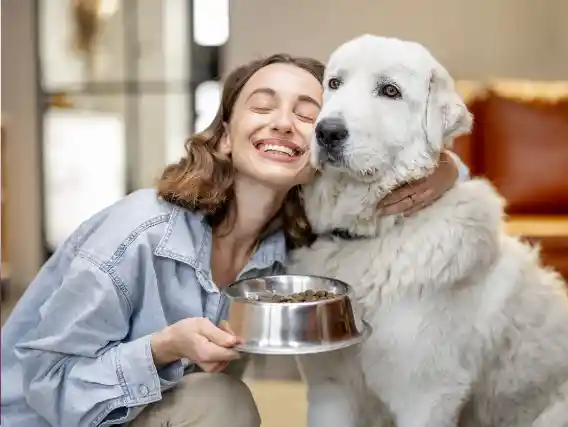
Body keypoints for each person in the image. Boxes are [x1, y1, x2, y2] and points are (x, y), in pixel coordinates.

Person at [0, 53, 469, 427]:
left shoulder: (292, 247)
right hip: (39, 417)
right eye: (262, 107)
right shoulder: (139, 232)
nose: (284, 123)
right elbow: (46, 382)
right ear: (224, 137)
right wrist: (164, 346)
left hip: (145, 413)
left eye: (308, 115)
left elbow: (391, 174)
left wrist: (447, 167)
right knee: (222, 402)